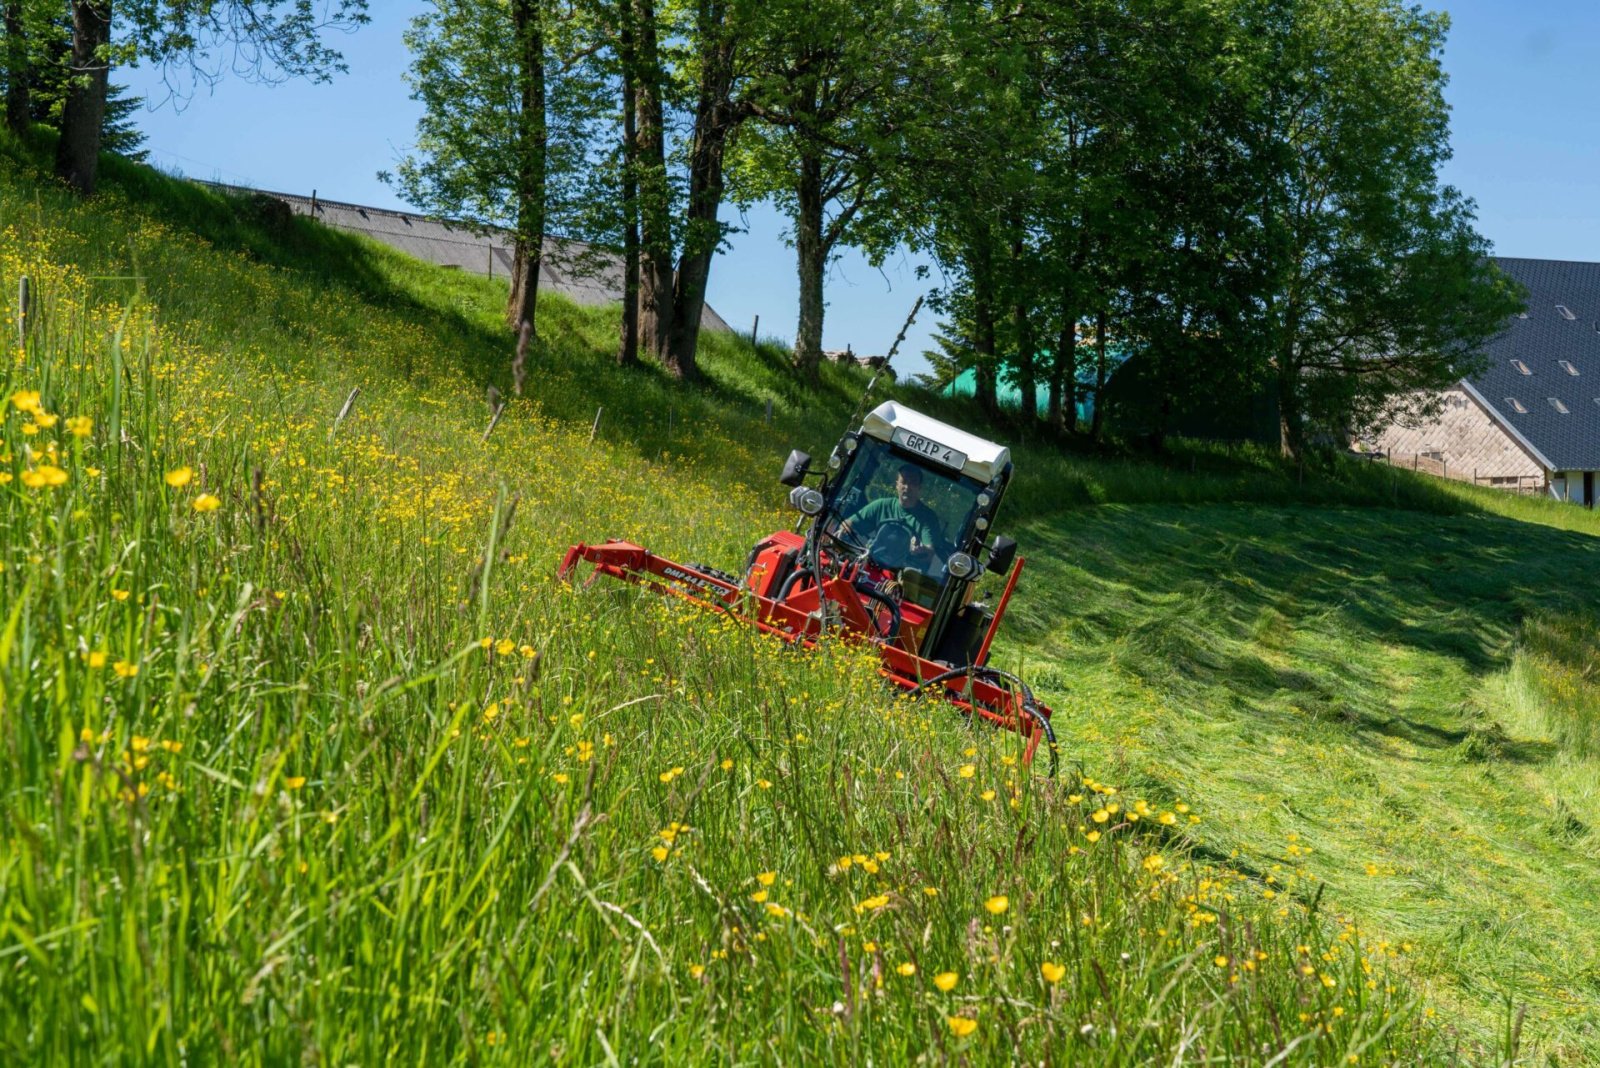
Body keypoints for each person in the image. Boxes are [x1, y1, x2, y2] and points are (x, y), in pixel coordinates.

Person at [837, 464, 947, 571]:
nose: (907, 487)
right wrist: (845, 530)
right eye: (903, 482)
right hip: (869, 562)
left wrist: (918, 549)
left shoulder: (928, 517)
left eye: (913, 483)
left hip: (902, 573)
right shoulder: (882, 505)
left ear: (919, 488)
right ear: (897, 485)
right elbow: (848, 523)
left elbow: (929, 552)